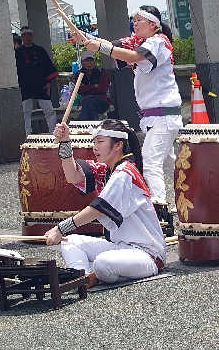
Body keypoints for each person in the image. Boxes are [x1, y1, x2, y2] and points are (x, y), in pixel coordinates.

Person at [72, 6, 182, 212]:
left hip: (163, 115)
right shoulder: (139, 42)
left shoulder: (159, 42)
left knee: (150, 161)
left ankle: (160, 207)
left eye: (139, 20)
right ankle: (187, 199)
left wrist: (99, 48)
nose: (135, 23)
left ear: (153, 24)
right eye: (134, 19)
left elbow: (132, 57)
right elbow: (110, 45)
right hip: (154, 117)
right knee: (169, 165)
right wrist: (84, 37)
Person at [45, 119, 165, 288]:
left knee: (102, 263)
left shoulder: (125, 172)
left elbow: (97, 209)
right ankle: (83, 279)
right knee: (69, 241)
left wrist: (60, 228)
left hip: (146, 254)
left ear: (118, 145)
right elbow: (72, 176)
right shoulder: (106, 170)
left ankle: (95, 275)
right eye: (94, 142)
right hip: (119, 247)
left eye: (100, 142)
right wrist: (65, 142)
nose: (95, 147)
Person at [15, 26, 58, 134]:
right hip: (25, 87)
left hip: (41, 85)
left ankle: (54, 134)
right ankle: (27, 135)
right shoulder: (17, 52)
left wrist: (48, 83)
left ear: (32, 36)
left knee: (49, 111)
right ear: (22, 37)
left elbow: (48, 68)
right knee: (25, 113)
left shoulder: (40, 50)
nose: (27, 37)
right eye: (25, 35)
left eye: (29, 35)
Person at [76, 51, 111, 120]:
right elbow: (79, 90)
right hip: (86, 101)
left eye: (91, 60)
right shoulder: (79, 74)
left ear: (94, 61)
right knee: (89, 103)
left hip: (102, 101)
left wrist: (87, 89)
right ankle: (91, 124)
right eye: (87, 61)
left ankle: (84, 123)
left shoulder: (102, 72)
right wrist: (94, 86)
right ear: (82, 62)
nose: (89, 63)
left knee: (88, 102)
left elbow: (102, 89)